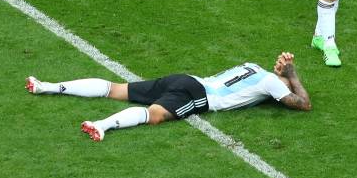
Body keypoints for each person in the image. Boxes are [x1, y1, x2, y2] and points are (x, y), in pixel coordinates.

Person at [26, 52, 311, 141]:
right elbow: (304, 104)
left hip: (184, 79)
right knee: (155, 116)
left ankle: (48, 86)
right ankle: (102, 124)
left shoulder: (253, 68)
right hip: (198, 95)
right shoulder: (273, 84)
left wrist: (284, 74)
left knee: (116, 88)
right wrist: (292, 75)